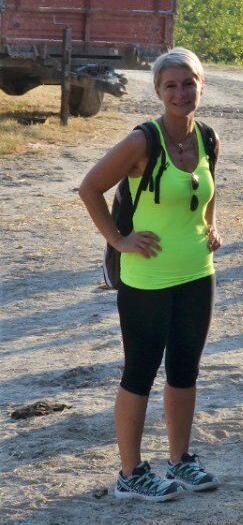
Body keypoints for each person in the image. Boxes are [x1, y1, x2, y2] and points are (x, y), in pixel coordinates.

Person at [78, 48, 221, 501]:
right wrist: (120, 241)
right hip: (147, 280)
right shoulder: (144, 141)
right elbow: (90, 187)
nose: (181, 93)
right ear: (158, 92)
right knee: (139, 372)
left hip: (198, 273)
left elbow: (206, 188)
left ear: (201, 85)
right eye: (171, 86)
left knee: (185, 371)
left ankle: (180, 460)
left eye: (188, 83)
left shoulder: (208, 138)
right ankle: (130, 473)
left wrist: (211, 227)